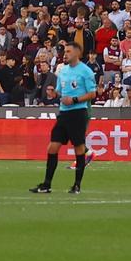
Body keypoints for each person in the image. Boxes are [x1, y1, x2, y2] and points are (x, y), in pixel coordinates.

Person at [31, 43, 96, 195]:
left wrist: (74, 100)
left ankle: (77, 185)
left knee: (79, 148)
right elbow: (60, 91)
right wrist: (55, 94)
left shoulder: (86, 71)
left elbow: (92, 94)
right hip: (63, 113)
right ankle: (46, 184)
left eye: (68, 51)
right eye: (64, 51)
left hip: (78, 113)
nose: (65, 54)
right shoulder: (63, 70)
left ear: (77, 53)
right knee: (52, 147)